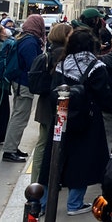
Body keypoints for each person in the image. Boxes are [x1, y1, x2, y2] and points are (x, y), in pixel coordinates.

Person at [38, 27, 112, 216]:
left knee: (53, 158)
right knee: (82, 161)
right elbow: (104, 96)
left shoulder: (62, 64)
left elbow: (53, 91)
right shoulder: (97, 67)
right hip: (88, 120)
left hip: (61, 119)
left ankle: (43, 202)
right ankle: (74, 204)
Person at [2, 14, 45, 163]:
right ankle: (9, 150)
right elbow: (33, 64)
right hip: (24, 84)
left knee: (17, 116)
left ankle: (12, 146)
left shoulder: (23, 38)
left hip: (19, 82)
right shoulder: (30, 42)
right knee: (20, 117)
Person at [31, 22, 71, 181]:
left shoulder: (47, 54)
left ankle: (36, 179)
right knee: (58, 143)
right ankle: (53, 179)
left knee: (42, 142)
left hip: (44, 103)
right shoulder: (65, 55)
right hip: (60, 105)